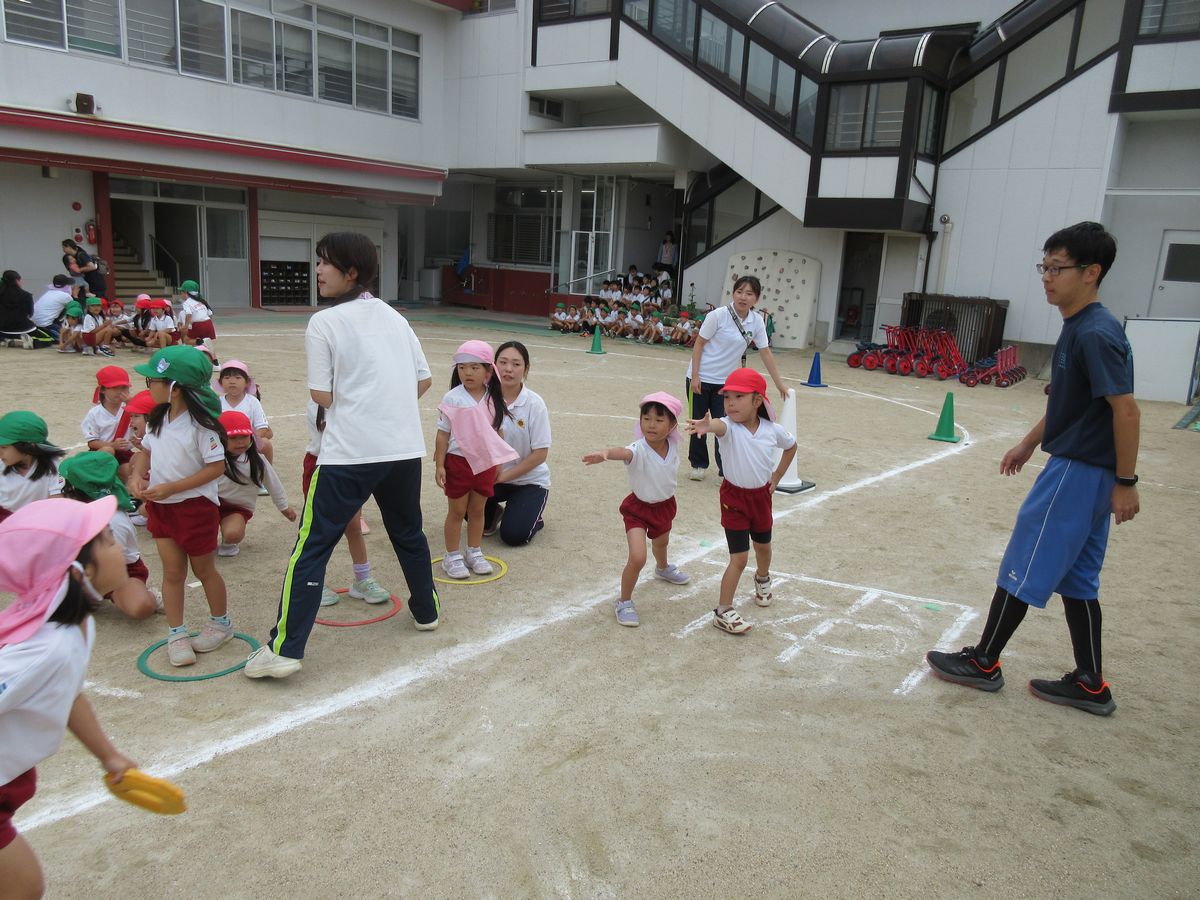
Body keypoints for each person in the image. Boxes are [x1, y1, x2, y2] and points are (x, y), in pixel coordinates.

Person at [925, 222, 1139, 716]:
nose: (1046, 277)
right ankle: (1089, 683)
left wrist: (1126, 482)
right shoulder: (1079, 326)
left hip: (1080, 469)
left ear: (1091, 273)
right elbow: (1072, 404)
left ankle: (984, 661)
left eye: (1057, 268)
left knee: (1027, 554)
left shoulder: (1095, 332)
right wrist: (1026, 443)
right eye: (1043, 266)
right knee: (1080, 579)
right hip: (1083, 467)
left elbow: (1125, 410)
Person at [246, 232, 440, 679]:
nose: (317, 270)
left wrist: (362, 404)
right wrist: (385, 403)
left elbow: (321, 395)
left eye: (324, 263)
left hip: (350, 451)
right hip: (402, 449)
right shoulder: (395, 317)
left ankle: (285, 650)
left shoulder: (325, 322)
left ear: (351, 271)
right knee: (408, 532)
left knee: (310, 547)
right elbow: (423, 380)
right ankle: (426, 610)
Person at [0, 497, 138, 899]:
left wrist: (107, 755)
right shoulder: (45, 650)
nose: (120, 545)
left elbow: (68, 693)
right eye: (109, 539)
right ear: (78, 572)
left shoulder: (75, 628)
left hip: (9, 781)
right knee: (24, 888)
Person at [127, 345, 232, 668]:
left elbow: (216, 468)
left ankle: (221, 624)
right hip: (163, 509)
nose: (147, 386)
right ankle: (177, 633)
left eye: (152, 381)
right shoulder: (157, 419)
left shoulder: (203, 427)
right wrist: (135, 475)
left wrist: (172, 487)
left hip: (195, 509)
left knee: (203, 570)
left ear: (174, 388)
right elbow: (144, 451)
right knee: (172, 573)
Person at [686, 368, 797, 635]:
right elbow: (717, 425)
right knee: (739, 557)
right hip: (733, 499)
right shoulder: (729, 427)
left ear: (757, 401)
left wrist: (777, 475)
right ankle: (723, 610)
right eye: (727, 397)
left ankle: (762, 578)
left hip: (761, 498)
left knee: (764, 549)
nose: (730, 403)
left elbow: (791, 446)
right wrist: (706, 425)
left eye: (738, 397)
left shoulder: (773, 430)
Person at [583, 392, 690, 627]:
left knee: (661, 544)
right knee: (638, 557)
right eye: (646, 418)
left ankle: (662, 568)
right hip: (638, 510)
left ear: (672, 425)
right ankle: (624, 601)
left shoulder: (673, 444)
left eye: (659, 420)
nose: (651, 425)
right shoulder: (638, 448)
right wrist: (606, 454)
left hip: (664, 506)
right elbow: (624, 452)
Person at [686, 276, 788, 482]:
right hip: (700, 378)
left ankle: (726, 469)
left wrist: (779, 384)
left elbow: (765, 353)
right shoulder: (718, 316)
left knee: (726, 424)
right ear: (733, 294)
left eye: (749, 293)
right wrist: (695, 376)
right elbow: (699, 344)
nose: (743, 297)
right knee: (699, 422)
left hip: (727, 385)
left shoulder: (757, 321)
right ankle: (698, 464)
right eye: (739, 292)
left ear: (756, 299)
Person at [434, 339, 516, 579]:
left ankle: (474, 551)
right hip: (458, 462)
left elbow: (498, 432)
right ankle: (452, 556)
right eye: (462, 367)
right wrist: (440, 464)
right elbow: (442, 434)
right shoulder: (452, 398)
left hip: (485, 464)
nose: (467, 372)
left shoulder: (494, 398)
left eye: (474, 367)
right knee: (457, 511)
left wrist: (498, 462)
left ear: (489, 371)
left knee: (478, 510)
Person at [301, 399, 392, 607]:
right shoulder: (317, 404)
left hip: (349, 464)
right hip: (323, 465)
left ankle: (362, 579)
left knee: (353, 525)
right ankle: (314, 582)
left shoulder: (354, 399)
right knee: (321, 530)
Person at [57, 453, 160, 619]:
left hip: (119, 572)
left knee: (141, 607)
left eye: (68, 486)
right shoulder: (77, 509)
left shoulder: (113, 521)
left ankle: (152, 596)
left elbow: (109, 565)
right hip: (84, 568)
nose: (63, 489)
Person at [484, 341, 551, 546]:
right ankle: (495, 512)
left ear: (526, 369)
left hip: (528, 481)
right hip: (495, 477)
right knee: (470, 507)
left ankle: (533, 517)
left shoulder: (534, 403)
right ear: (494, 366)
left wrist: (502, 476)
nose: (508, 369)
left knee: (514, 536)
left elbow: (540, 454)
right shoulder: (483, 398)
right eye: (502, 362)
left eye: (516, 364)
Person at [214, 411, 295, 557]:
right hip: (209, 504)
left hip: (236, 508)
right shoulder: (210, 457)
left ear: (251, 437)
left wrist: (284, 507)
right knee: (197, 536)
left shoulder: (257, 460)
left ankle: (228, 543)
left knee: (233, 534)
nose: (240, 442)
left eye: (244, 436)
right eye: (233, 437)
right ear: (220, 438)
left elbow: (273, 483)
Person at [0, 411, 65, 524]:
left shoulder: (53, 466)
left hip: (37, 523)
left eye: (4, 447)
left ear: (29, 447)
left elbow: (56, 505)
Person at [217, 360, 274, 464]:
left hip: (248, 442)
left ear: (246, 382)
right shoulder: (217, 403)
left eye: (238, 377)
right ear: (221, 382)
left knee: (266, 444)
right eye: (227, 377)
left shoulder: (252, 402)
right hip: (224, 443)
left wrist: (247, 441)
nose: (232, 381)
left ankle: (266, 475)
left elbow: (263, 428)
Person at [178, 279, 217, 360]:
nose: (180, 294)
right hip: (208, 323)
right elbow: (210, 314)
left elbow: (189, 314)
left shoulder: (187, 302)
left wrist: (186, 326)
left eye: (181, 292)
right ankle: (215, 364)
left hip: (198, 324)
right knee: (208, 346)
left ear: (186, 292)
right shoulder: (201, 301)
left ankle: (201, 342)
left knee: (186, 340)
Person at [0, 271, 38, 349]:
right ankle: (30, 341)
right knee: (47, 337)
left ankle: (6, 340)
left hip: (3, 330)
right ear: (17, 280)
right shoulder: (26, 295)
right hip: (23, 328)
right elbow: (30, 313)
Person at [31, 275, 75, 339]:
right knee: (68, 337)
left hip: (34, 324)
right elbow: (75, 312)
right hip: (45, 325)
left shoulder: (49, 293)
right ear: (66, 286)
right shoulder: (66, 296)